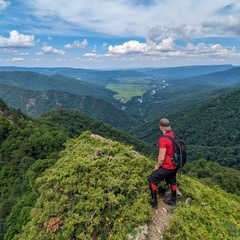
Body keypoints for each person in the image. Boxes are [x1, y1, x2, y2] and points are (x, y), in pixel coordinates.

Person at [148, 118, 178, 208]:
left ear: (161, 127)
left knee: (152, 180)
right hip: (175, 165)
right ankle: (173, 200)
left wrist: (157, 166)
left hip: (167, 166)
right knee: (173, 181)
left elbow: (161, 158)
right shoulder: (173, 135)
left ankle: (154, 202)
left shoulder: (163, 139)